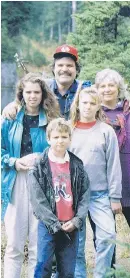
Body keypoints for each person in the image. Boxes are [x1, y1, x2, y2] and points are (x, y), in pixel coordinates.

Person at [1, 72, 60, 278]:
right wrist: (14, 162)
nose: (32, 96)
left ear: (43, 95)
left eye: (37, 92)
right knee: (14, 244)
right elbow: (1, 151)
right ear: (21, 93)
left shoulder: (52, 120)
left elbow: (61, 150)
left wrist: (43, 160)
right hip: (15, 181)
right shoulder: (9, 118)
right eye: (28, 92)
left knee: (38, 244)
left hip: (43, 184)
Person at [70, 86, 122, 278]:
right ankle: (79, 275)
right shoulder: (69, 129)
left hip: (100, 194)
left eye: (93, 103)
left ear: (98, 106)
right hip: (74, 195)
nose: (88, 106)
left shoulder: (106, 131)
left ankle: (101, 274)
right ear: (77, 104)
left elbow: (114, 165)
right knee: (76, 241)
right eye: (84, 102)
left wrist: (115, 197)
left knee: (108, 236)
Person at [27, 117, 90, 278]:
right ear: (48, 139)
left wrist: (77, 220)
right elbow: (37, 199)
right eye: (55, 137)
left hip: (71, 226)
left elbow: (84, 195)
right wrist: (54, 224)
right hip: (48, 226)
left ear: (70, 139)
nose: (60, 141)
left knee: (67, 270)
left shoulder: (77, 164)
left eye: (64, 137)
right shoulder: (39, 165)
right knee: (43, 266)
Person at [95, 68, 130, 247]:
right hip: (103, 188)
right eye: (102, 86)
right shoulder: (93, 115)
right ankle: (110, 275)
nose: (107, 89)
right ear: (97, 90)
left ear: (118, 87)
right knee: (105, 242)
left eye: (111, 85)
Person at [2, 44, 91, 120]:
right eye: (60, 65)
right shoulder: (43, 86)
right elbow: (23, 99)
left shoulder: (85, 89)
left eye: (69, 65)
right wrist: (13, 105)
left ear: (77, 69)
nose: (64, 69)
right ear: (53, 69)